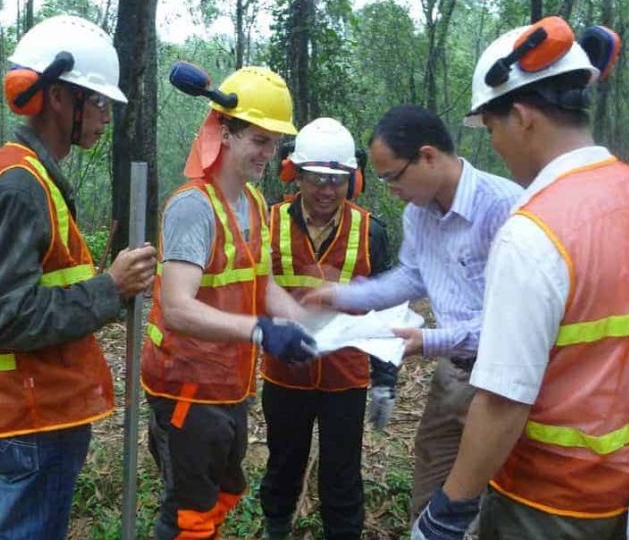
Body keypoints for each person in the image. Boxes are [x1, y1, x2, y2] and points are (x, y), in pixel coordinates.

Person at [412, 16, 629, 540]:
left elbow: (504, 401)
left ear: (523, 117)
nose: (496, 146)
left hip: (544, 503)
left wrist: (450, 508)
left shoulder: (533, 231)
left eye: (492, 128)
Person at [0, 15, 157, 540]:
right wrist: (109, 289)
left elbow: (39, 289)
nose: (105, 118)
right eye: (99, 102)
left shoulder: (31, 174)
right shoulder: (20, 187)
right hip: (29, 414)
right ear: (62, 97)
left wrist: (112, 290)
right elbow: (1, 314)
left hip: (36, 406)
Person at [304, 105, 521, 521]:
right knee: (432, 484)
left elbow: (514, 324)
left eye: (392, 177)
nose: (389, 189)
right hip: (454, 374)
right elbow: (410, 277)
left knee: (500, 499)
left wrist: (428, 341)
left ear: (427, 156)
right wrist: (343, 296)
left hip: (505, 380)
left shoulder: (504, 208)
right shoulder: (418, 215)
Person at [140, 65, 318, 540]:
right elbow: (177, 306)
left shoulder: (255, 204)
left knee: (222, 497)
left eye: (275, 141)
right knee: (188, 519)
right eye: (259, 140)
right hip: (186, 389)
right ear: (224, 132)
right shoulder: (194, 207)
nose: (269, 152)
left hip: (230, 386)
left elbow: (261, 283)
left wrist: (300, 319)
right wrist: (260, 330)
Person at [259, 117, 395, 540]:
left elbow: (384, 312)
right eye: (316, 178)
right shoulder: (268, 221)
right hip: (285, 372)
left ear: (351, 180)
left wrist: (385, 379)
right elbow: (251, 292)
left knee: (342, 474)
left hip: (346, 376)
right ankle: (276, 528)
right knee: (282, 464)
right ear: (296, 175)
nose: (326, 189)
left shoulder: (371, 231)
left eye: (336, 179)